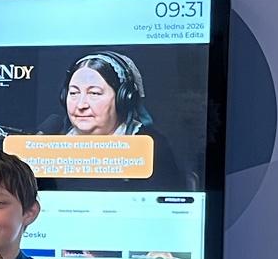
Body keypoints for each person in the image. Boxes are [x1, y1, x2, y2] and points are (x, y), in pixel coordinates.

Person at [34, 50, 188, 189]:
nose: (81, 105)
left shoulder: (151, 146)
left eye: (94, 93)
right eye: (74, 93)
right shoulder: (50, 145)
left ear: (123, 99)